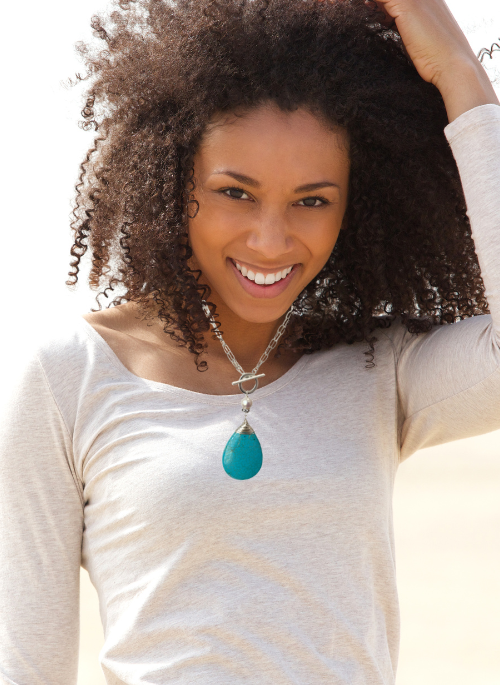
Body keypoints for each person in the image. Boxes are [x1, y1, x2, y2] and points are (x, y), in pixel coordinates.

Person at [1, 0, 499, 682]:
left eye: (312, 200)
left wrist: (461, 76)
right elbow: (28, 666)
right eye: (236, 192)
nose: (270, 239)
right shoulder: (68, 378)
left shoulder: (375, 368)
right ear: (175, 182)